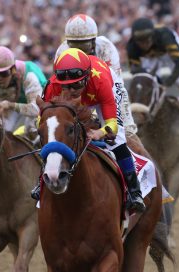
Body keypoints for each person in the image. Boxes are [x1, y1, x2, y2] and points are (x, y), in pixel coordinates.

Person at [37, 48, 146, 213]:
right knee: (51, 139)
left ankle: (134, 191)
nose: (72, 90)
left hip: (100, 92)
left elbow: (112, 125)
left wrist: (99, 133)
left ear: (86, 77)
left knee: (116, 141)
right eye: (66, 86)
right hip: (73, 100)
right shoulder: (53, 86)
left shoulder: (100, 81)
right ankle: (41, 182)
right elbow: (42, 120)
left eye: (77, 84)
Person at [55, 13, 137, 136]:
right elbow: (62, 88)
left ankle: (129, 134)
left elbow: (117, 86)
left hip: (104, 91)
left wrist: (126, 122)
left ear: (94, 41)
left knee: (124, 132)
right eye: (74, 45)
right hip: (78, 96)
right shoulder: (61, 51)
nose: (79, 51)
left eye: (83, 45)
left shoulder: (105, 47)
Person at [126, 17, 179, 133]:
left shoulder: (165, 36)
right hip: (150, 58)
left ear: (153, 35)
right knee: (146, 82)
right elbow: (136, 72)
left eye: (147, 40)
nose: (145, 44)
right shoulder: (131, 46)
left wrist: (167, 82)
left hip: (166, 53)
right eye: (141, 41)